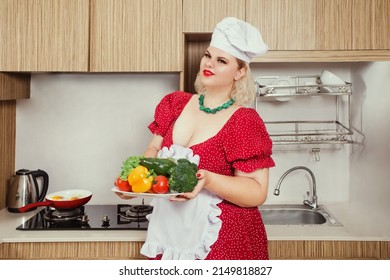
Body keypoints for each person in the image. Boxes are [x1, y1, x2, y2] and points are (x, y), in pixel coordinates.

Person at [117, 17, 275, 260]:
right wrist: (135, 182)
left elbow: (256, 192)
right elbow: (152, 151)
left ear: (240, 72)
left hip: (223, 242)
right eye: (207, 55)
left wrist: (208, 179)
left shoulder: (243, 121)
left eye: (221, 60)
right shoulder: (175, 104)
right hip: (170, 235)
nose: (208, 64)